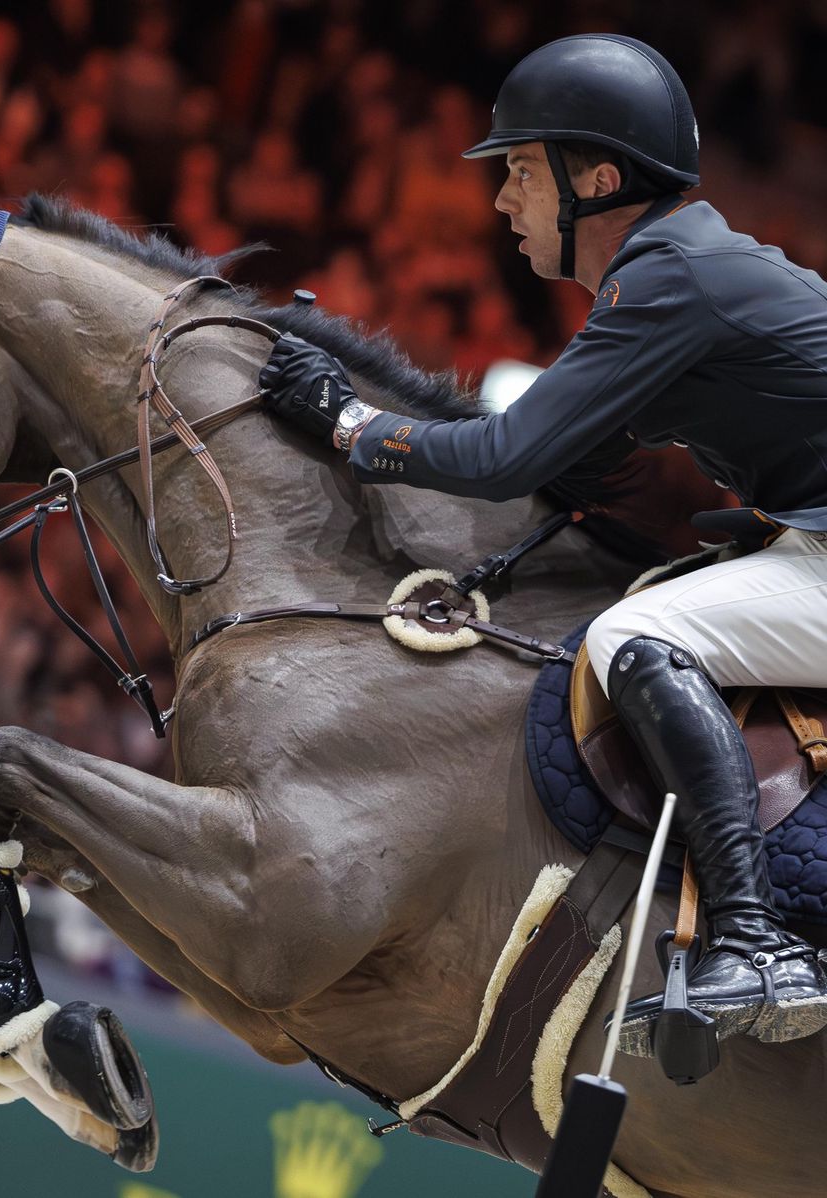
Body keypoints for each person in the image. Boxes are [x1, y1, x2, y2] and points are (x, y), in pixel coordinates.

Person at [258, 33, 827, 1054]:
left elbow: (502, 457)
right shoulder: (672, 270)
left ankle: (756, 939)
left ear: (597, 179)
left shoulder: (673, 278)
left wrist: (347, 425)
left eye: (521, 170)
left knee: (638, 638)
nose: (500, 199)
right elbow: (563, 461)